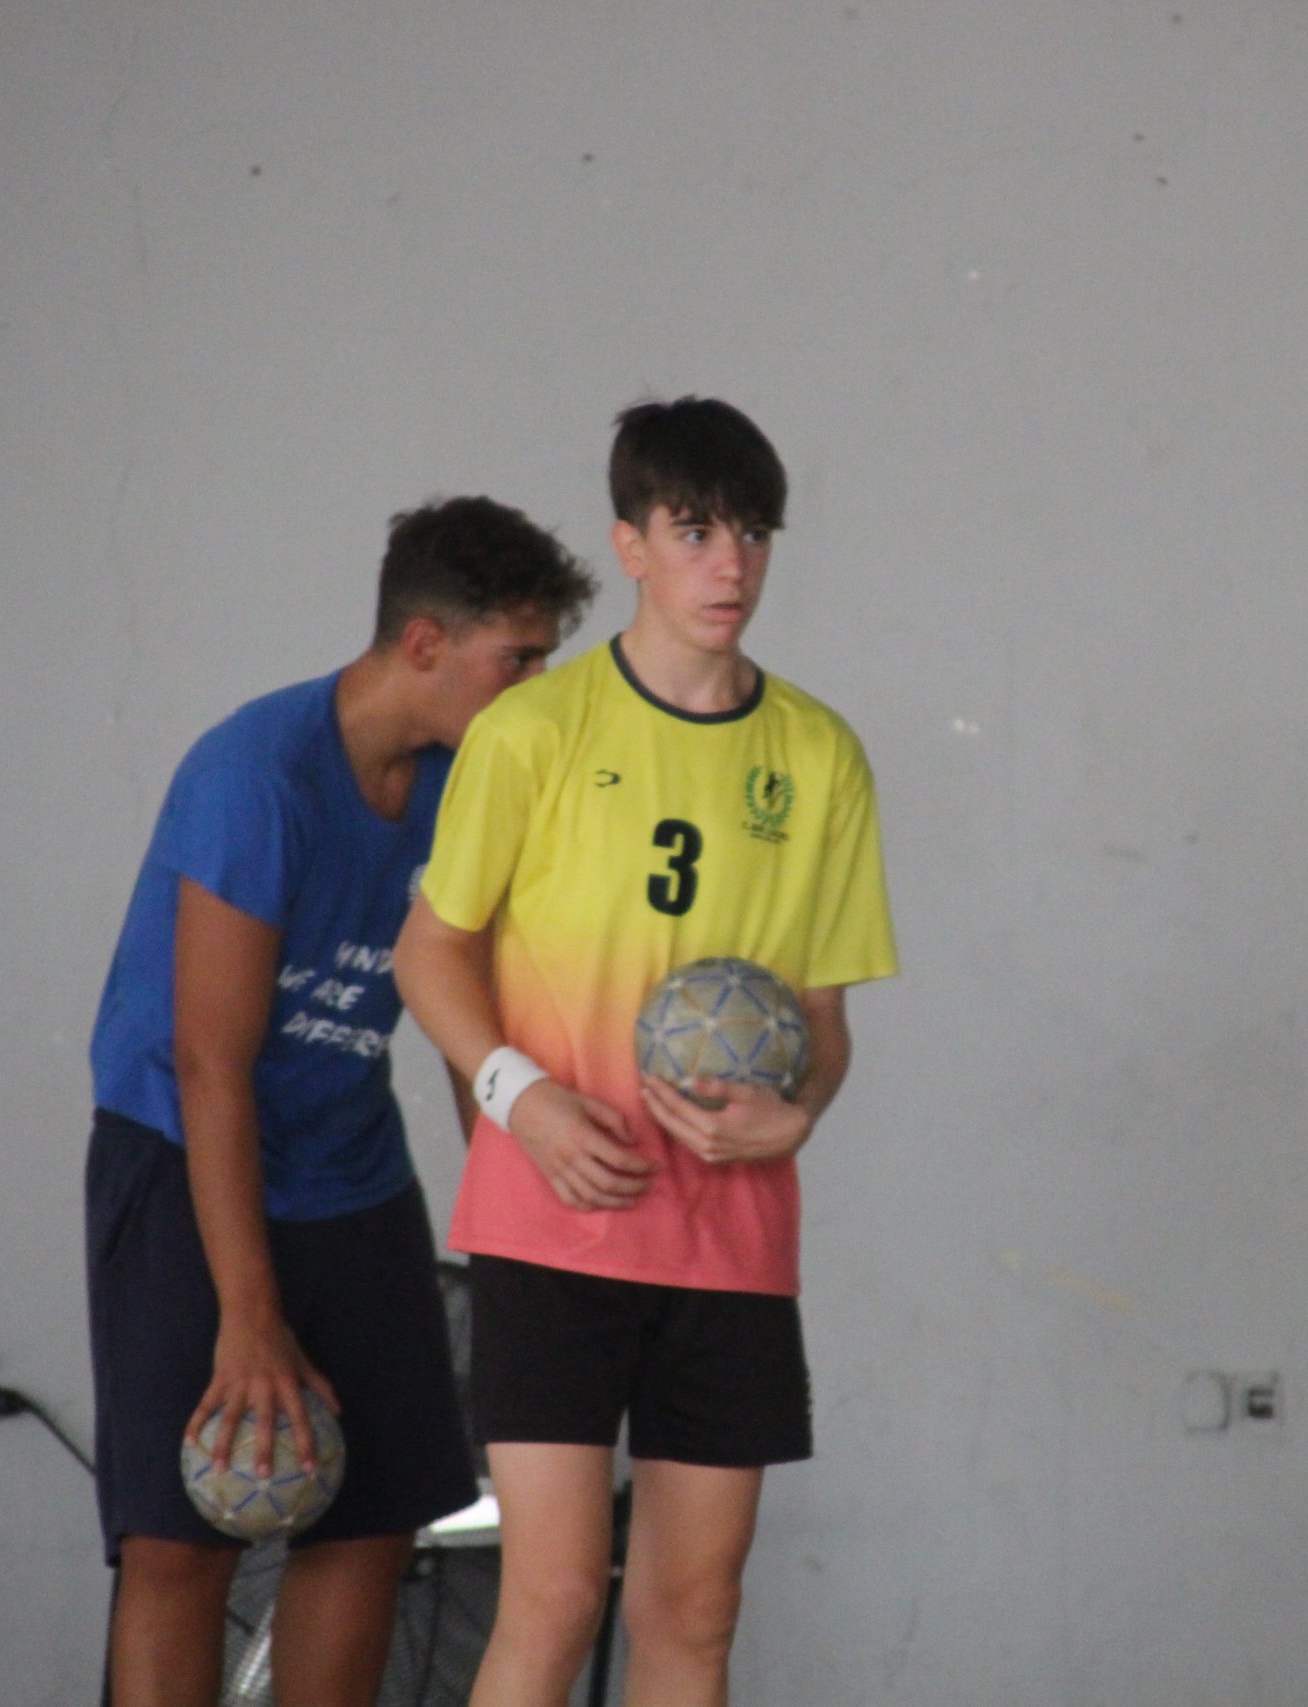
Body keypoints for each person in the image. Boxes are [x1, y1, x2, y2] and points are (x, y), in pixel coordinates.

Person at [392, 397, 898, 1707]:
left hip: (729, 1235)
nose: (731, 564)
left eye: (754, 534)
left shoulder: (819, 753)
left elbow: (824, 1019)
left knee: (694, 1608)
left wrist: (799, 1113)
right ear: (629, 544)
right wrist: (524, 1099)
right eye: (694, 532)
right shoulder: (532, 732)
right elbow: (428, 951)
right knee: (555, 1596)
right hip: (555, 1219)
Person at [84, 496, 595, 1707]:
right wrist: (249, 1316)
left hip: (352, 1174)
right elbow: (210, 1065)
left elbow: (467, 1018)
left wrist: (517, 1225)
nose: (534, 689)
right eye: (516, 660)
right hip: (184, 1160)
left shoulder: (464, 784)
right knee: (183, 1537)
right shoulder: (257, 775)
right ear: (424, 644)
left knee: (371, 1519)